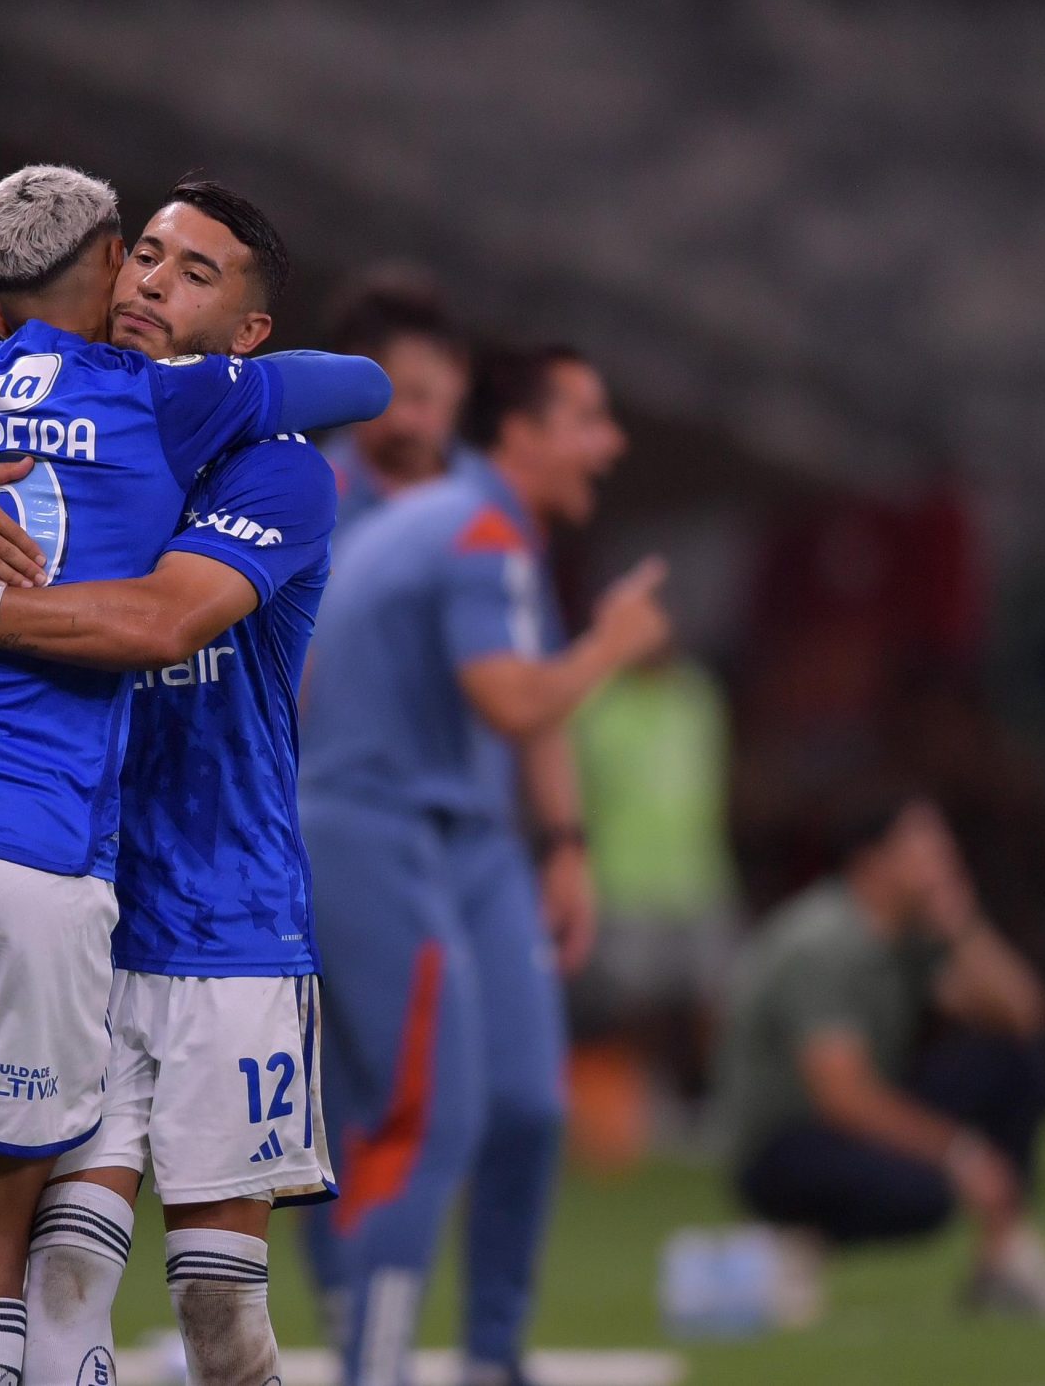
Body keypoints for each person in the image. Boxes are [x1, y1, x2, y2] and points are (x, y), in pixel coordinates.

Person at [0, 165, 389, 1386]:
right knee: (58, 1283)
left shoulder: (276, 471)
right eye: (147, 256)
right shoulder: (103, 411)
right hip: (85, 892)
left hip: (228, 922)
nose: (152, 284)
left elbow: (164, 622)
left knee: (224, 1321)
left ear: (250, 330)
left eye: (195, 271)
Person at [298, 343, 669, 1386]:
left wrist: (561, 846)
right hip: (379, 832)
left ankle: (472, 1358)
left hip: (406, 830)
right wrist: (612, 643)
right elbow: (514, 702)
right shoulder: (481, 528)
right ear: (519, 433)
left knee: (502, 1105)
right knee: (425, 1116)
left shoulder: (449, 521)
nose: (610, 444)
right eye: (586, 419)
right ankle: (377, 1368)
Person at [714, 788, 1045, 1323]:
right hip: (784, 1145)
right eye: (925, 847)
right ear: (873, 860)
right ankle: (791, 1242)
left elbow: (1026, 1015)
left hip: (851, 1119)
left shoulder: (908, 937)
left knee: (1015, 1061)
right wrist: (957, 1153)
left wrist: (964, 925)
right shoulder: (826, 942)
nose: (944, 860)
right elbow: (840, 1095)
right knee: (927, 1195)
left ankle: (1007, 1256)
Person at [569, 650, 733, 1134]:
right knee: (636, 1001)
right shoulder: (598, 701)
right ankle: (648, 1103)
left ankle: (714, 1105)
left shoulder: (699, 696)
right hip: (625, 874)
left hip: (700, 870)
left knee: (713, 995)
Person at [320, 274, 470, 530]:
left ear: (459, 378)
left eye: (419, 396)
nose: (400, 421)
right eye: (377, 400)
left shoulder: (498, 498)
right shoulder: (309, 499)